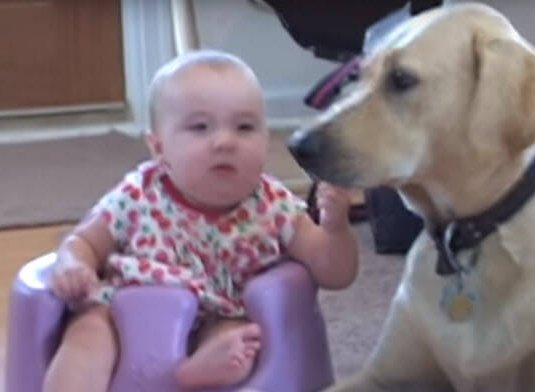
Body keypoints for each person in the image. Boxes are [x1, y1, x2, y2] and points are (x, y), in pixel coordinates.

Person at [43, 49, 359, 392]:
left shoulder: (274, 206)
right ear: (158, 148)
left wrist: (336, 228)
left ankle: (192, 375)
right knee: (88, 332)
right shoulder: (138, 194)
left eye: (244, 127)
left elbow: (335, 274)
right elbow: (85, 241)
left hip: (221, 314)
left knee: (240, 339)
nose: (225, 141)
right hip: (126, 311)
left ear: (267, 141)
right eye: (199, 127)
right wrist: (74, 263)